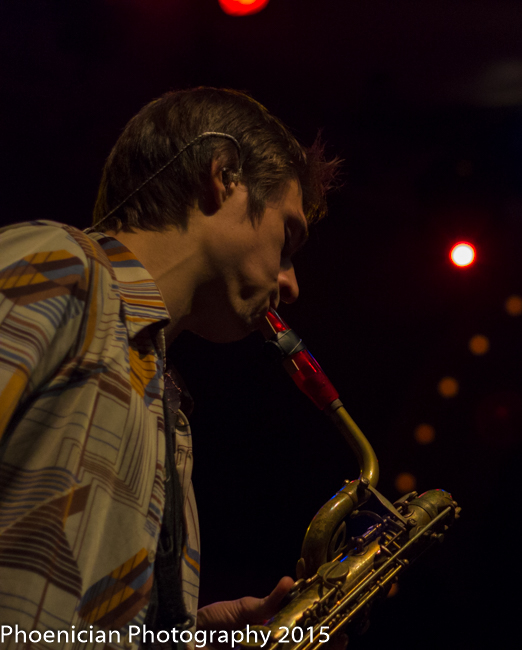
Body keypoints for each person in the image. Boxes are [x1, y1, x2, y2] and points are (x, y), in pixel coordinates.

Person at [0, 87, 338, 647]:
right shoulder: (60, 266)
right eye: (287, 238)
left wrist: (200, 638)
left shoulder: (166, 404)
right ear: (224, 176)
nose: (290, 283)